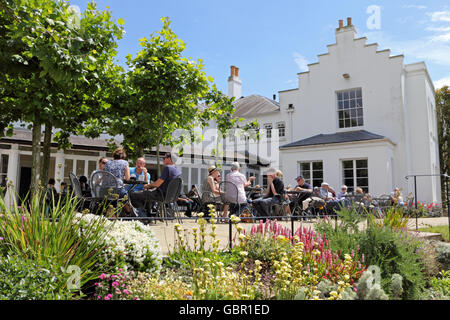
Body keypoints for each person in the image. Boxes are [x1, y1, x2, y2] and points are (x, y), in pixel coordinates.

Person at [104, 147, 131, 214]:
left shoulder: (107, 163)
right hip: (118, 189)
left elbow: (105, 175)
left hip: (106, 190)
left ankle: (112, 215)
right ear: (123, 156)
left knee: (112, 201)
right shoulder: (124, 163)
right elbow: (127, 178)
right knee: (125, 197)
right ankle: (128, 212)